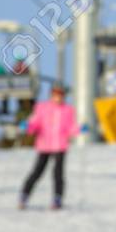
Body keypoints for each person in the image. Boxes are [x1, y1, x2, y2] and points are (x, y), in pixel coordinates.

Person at [19, 82, 79, 210]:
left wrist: (79, 129)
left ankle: (57, 198)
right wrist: (28, 126)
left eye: (60, 95)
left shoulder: (67, 110)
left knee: (58, 173)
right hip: (44, 145)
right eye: (55, 94)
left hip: (60, 146)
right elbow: (35, 123)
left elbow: (71, 127)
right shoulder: (42, 108)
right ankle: (24, 195)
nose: (58, 97)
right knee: (37, 172)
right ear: (51, 95)